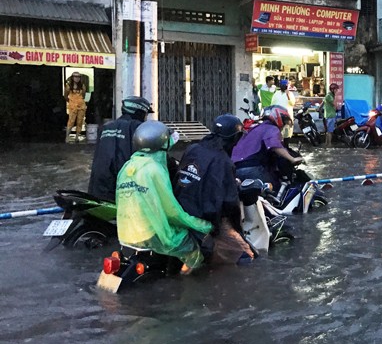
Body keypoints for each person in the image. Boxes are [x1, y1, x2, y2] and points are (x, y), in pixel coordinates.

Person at [116, 121, 212, 275]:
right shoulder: (155, 170)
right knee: (194, 250)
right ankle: (188, 285)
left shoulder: (127, 167)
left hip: (125, 234)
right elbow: (172, 212)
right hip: (149, 235)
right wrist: (202, 225)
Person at [175, 114, 254, 265]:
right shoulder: (222, 161)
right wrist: (237, 229)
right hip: (204, 218)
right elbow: (230, 203)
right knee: (247, 255)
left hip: (181, 211)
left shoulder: (193, 149)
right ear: (234, 138)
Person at [88, 96, 153, 201]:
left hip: (98, 188)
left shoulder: (105, 127)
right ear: (140, 112)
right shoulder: (138, 127)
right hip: (124, 188)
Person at [231, 105, 304, 187]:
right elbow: (275, 145)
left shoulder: (256, 127)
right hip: (251, 168)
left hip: (235, 169)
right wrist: (292, 159)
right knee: (275, 188)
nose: (283, 125)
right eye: (284, 121)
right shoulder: (271, 128)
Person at [64, 72, 87, 142]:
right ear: (72, 77)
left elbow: (83, 95)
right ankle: (67, 137)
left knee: (80, 121)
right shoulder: (68, 86)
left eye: (78, 77)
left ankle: (77, 137)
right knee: (71, 121)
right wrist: (70, 101)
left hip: (81, 105)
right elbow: (65, 96)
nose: (77, 78)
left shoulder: (82, 86)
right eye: (75, 77)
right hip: (72, 106)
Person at [271, 79, 296, 143]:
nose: (283, 87)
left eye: (285, 85)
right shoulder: (276, 94)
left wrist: (288, 95)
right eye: (282, 85)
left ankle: (286, 146)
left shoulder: (290, 94)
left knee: (287, 133)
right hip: (278, 116)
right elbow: (272, 104)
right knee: (279, 133)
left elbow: (292, 103)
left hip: (287, 117)